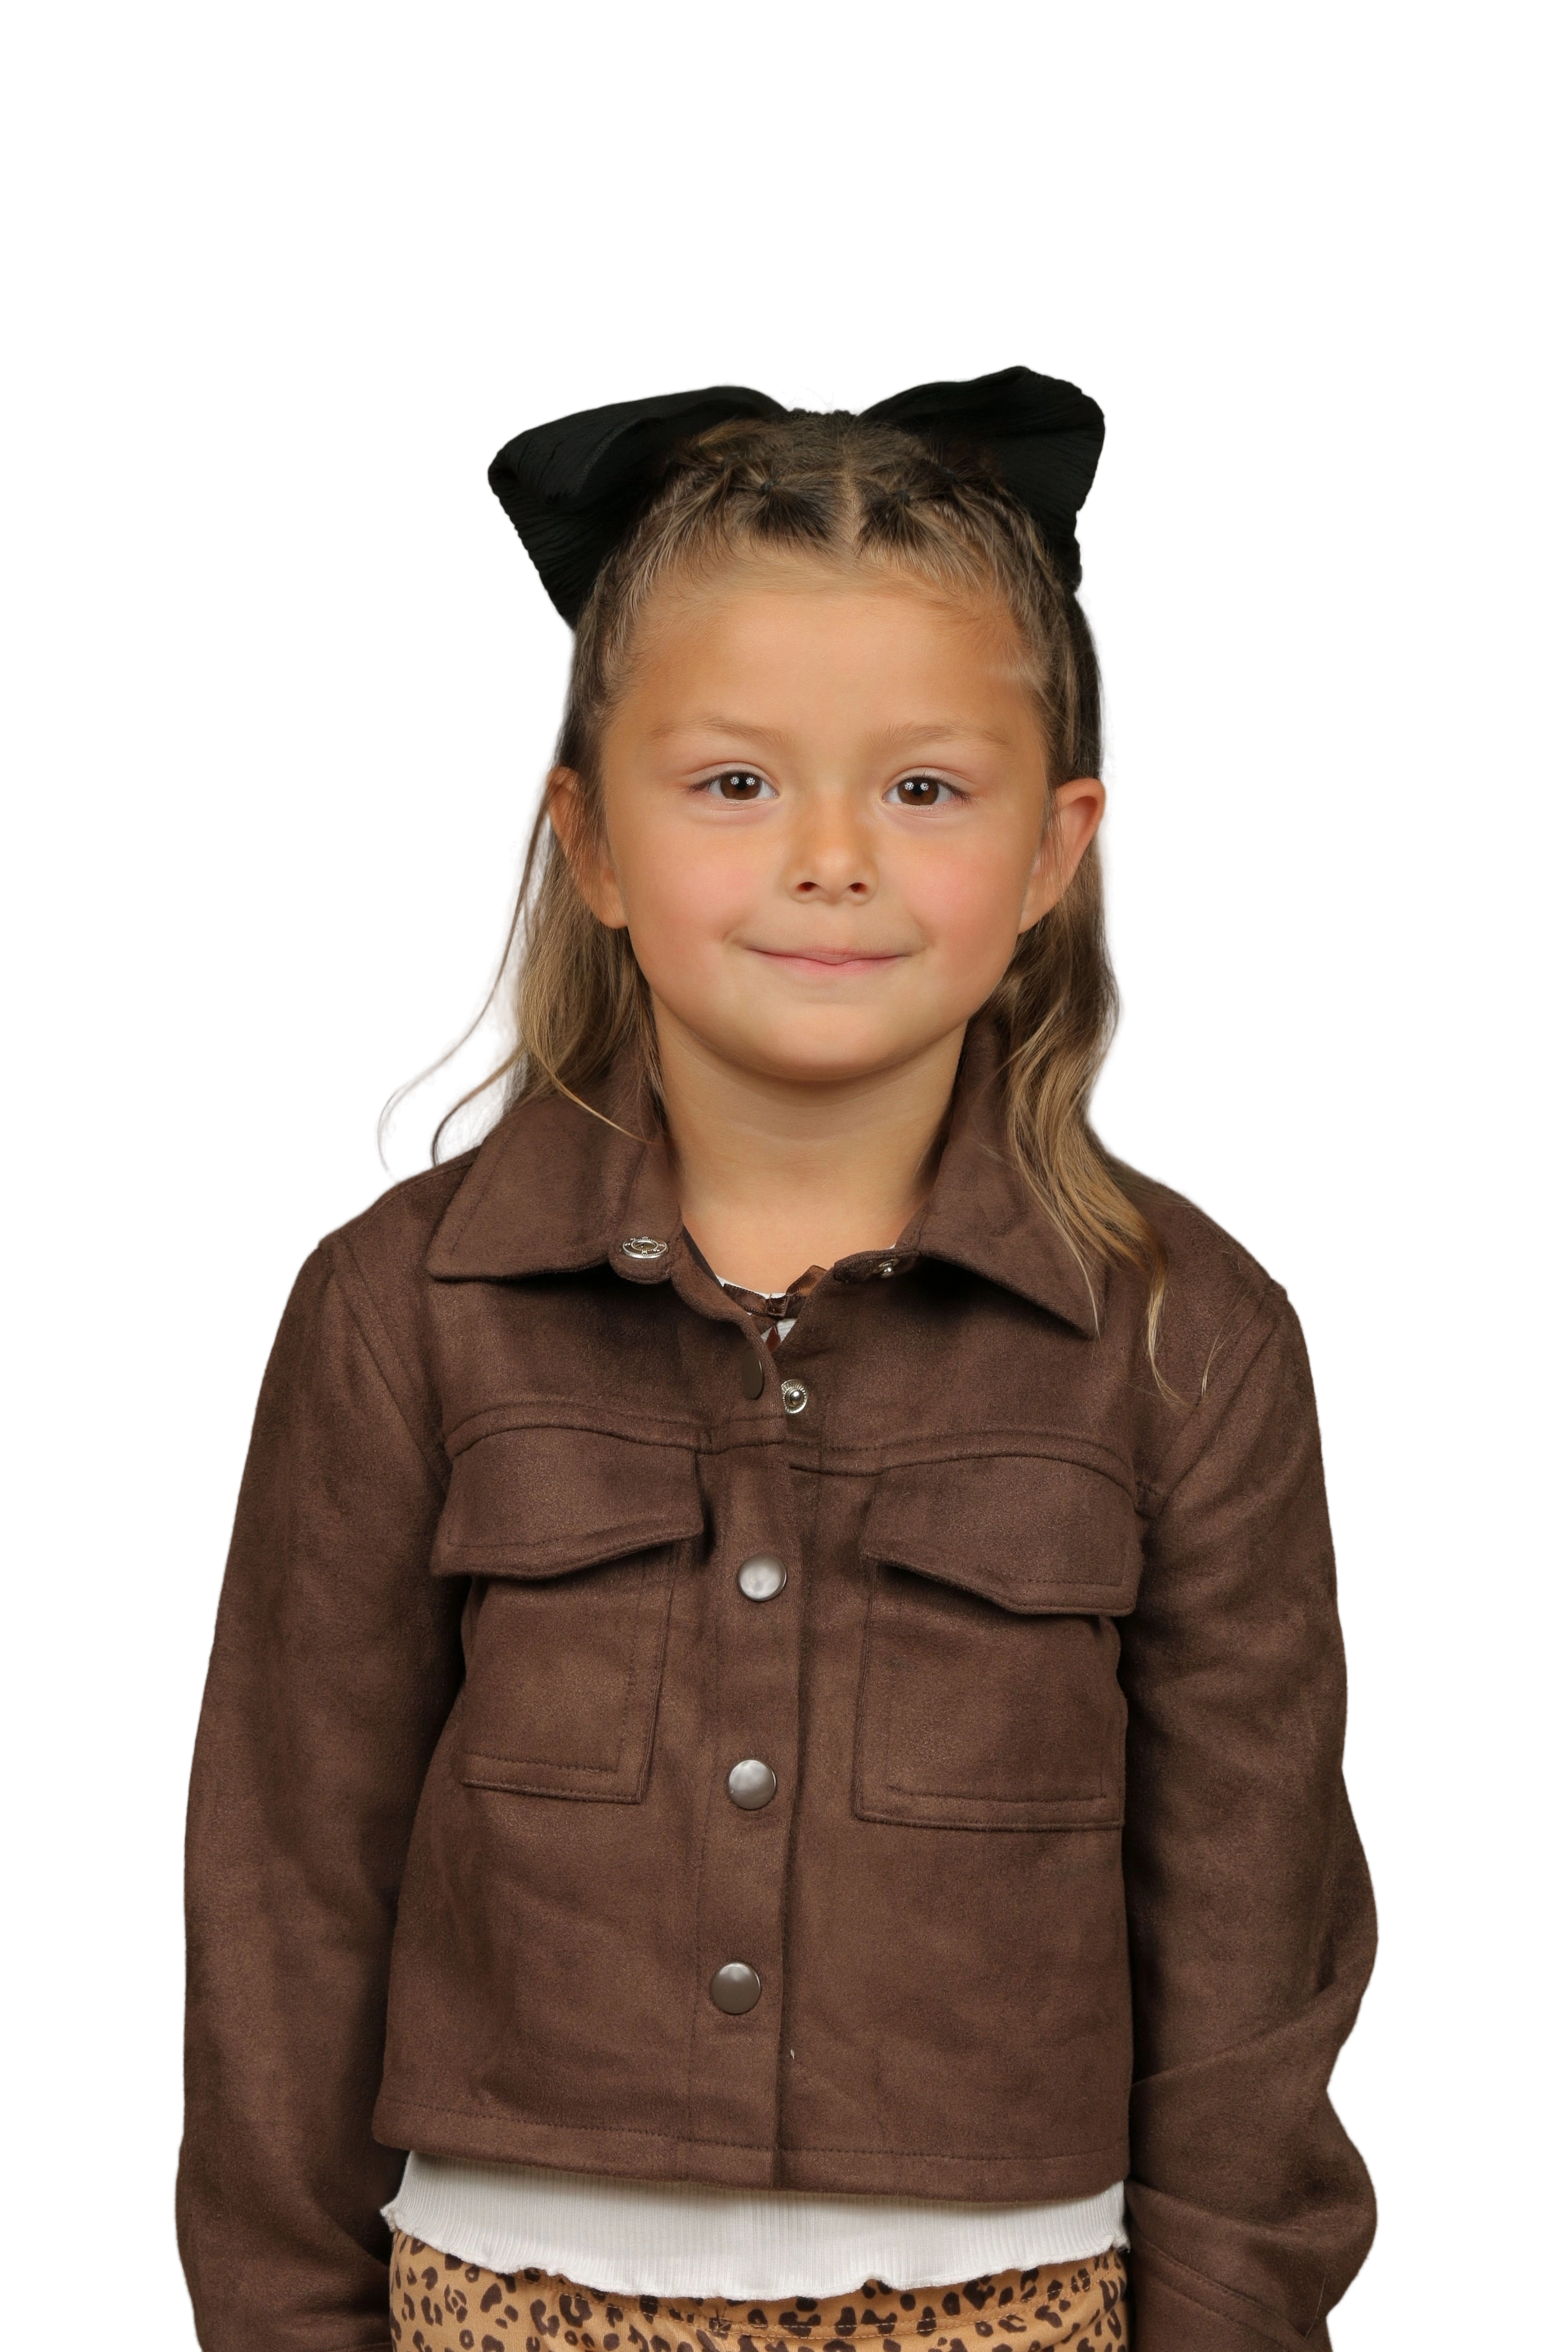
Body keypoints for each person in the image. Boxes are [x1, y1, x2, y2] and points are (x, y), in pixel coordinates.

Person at [171, 368, 1382, 2352]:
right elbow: (281, 1896)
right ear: (588, 837)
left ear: (1058, 844)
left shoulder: (1193, 1336)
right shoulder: (395, 1304)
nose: (833, 857)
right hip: (495, 2306)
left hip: (1019, 2305)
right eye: (735, 783)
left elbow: (1259, 1943)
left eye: (926, 788)